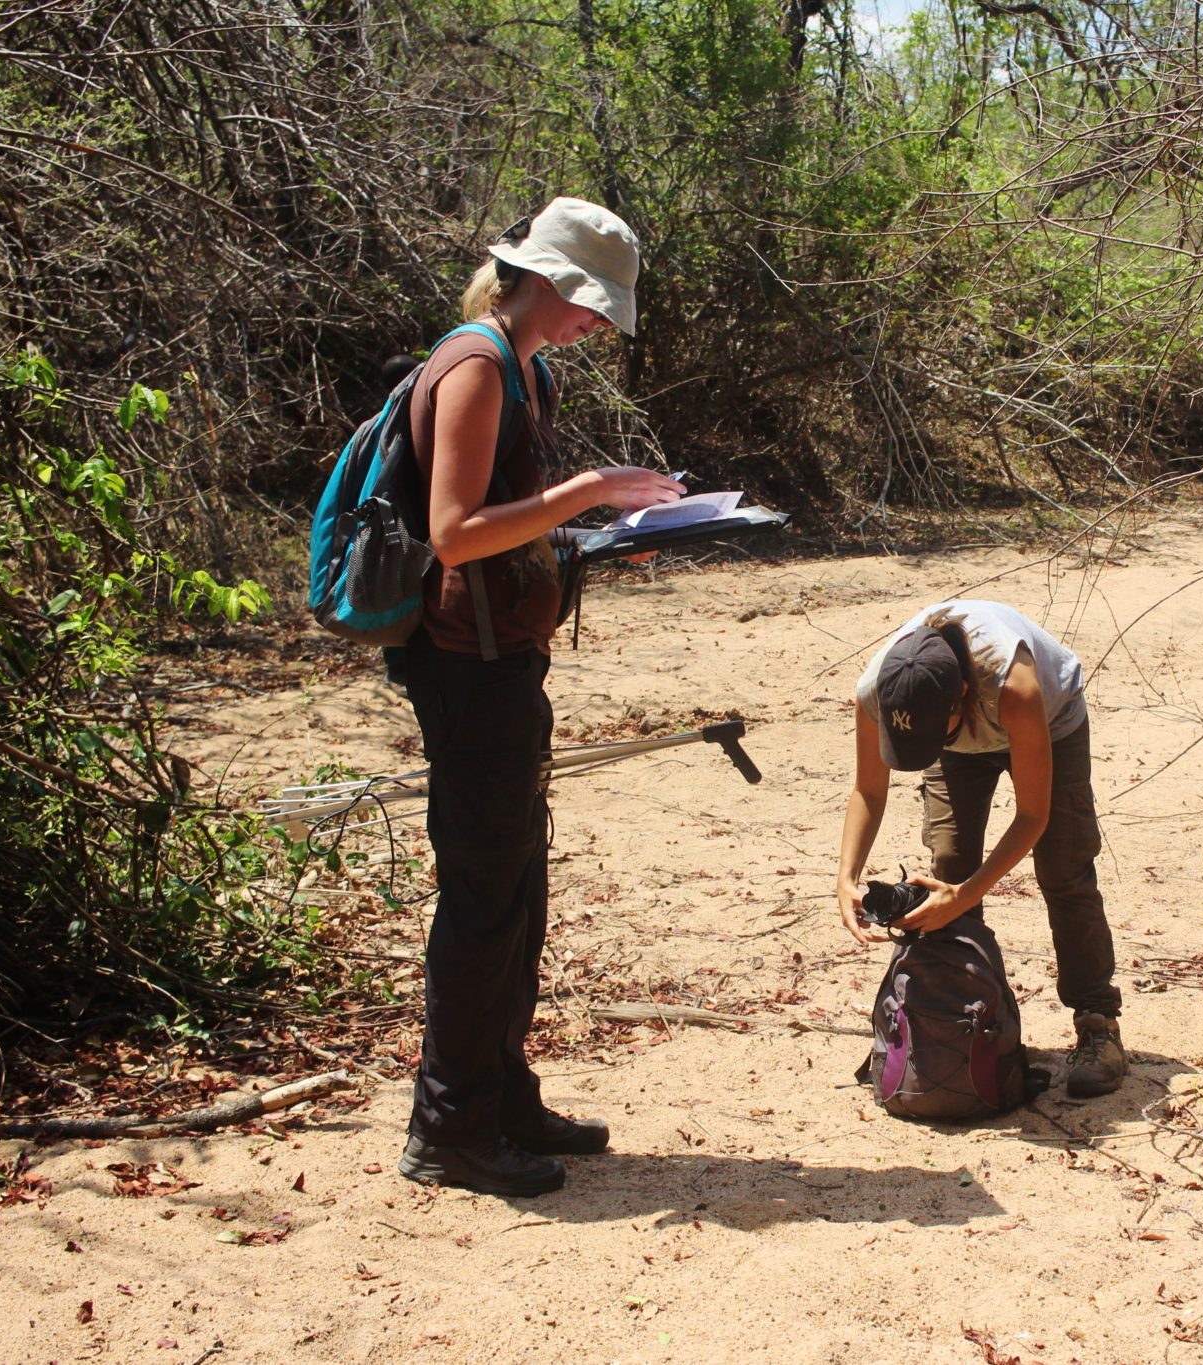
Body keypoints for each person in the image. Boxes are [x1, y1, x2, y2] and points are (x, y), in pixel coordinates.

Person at [394, 197, 683, 1197]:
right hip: (462, 669)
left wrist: (605, 527)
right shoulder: (474, 364)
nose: (595, 327)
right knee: (481, 899)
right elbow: (454, 532)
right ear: (548, 281)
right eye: (591, 307)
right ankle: (449, 1127)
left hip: (503, 659)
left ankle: (499, 1094)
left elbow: (509, 527)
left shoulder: (527, 368)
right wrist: (587, 493)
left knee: (517, 889)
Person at [836, 600, 1127, 1098]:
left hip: (1050, 723)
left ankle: (1097, 1023)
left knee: (1064, 868)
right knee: (949, 865)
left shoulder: (1015, 686)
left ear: (962, 695)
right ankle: (955, 1022)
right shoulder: (877, 691)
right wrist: (846, 877)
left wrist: (967, 895)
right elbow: (869, 790)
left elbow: (1033, 816)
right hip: (959, 736)